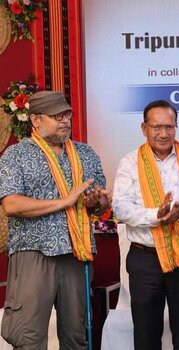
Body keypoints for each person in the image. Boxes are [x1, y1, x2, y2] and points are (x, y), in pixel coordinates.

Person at [0, 91, 109, 349]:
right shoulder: (16, 155)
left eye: (67, 115)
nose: (65, 121)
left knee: (76, 336)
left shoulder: (85, 153)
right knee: (28, 337)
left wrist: (96, 202)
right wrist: (64, 201)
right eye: (56, 116)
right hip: (33, 255)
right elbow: (11, 204)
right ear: (36, 121)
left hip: (76, 253)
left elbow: (102, 202)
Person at [112, 99, 179, 350]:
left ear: (176, 127)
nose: (163, 133)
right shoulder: (130, 162)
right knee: (146, 335)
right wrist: (156, 216)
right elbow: (120, 207)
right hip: (145, 258)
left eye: (169, 127)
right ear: (143, 128)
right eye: (156, 127)